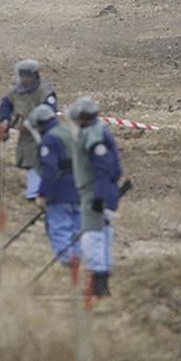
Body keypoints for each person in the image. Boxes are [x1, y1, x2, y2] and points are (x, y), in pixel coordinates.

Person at [66, 96, 122, 298]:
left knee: (93, 237)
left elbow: (103, 169)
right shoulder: (95, 132)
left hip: (95, 193)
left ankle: (98, 282)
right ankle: (102, 283)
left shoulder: (93, 136)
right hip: (98, 191)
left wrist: (99, 197)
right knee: (103, 234)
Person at [0, 59, 58, 201]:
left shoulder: (45, 92)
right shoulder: (17, 90)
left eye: (28, 76)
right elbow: (6, 104)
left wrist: (33, 122)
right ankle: (35, 192)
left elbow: (49, 112)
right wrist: (4, 119)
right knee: (28, 161)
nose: (25, 79)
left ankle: (37, 193)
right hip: (25, 135)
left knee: (39, 162)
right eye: (22, 75)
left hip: (41, 133)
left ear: (35, 75)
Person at [28, 104, 81, 264]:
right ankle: (79, 263)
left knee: (59, 229)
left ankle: (69, 266)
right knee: (77, 230)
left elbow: (49, 170)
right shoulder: (70, 133)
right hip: (80, 188)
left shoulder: (49, 139)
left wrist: (43, 194)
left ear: (40, 124)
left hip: (60, 191)